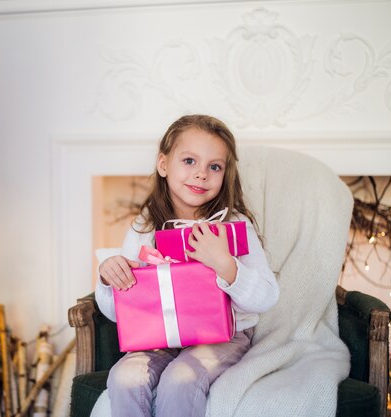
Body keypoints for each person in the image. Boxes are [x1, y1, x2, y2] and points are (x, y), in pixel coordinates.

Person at [94, 114, 280, 417]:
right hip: (158, 336)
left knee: (181, 380)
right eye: (190, 161)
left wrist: (225, 264)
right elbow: (118, 312)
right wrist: (110, 278)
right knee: (125, 377)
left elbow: (266, 298)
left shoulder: (234, 226)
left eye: (214, 166)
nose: (201, 174)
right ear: (164, 164)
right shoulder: (145, 227)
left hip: (223, 337)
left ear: (225, 175)